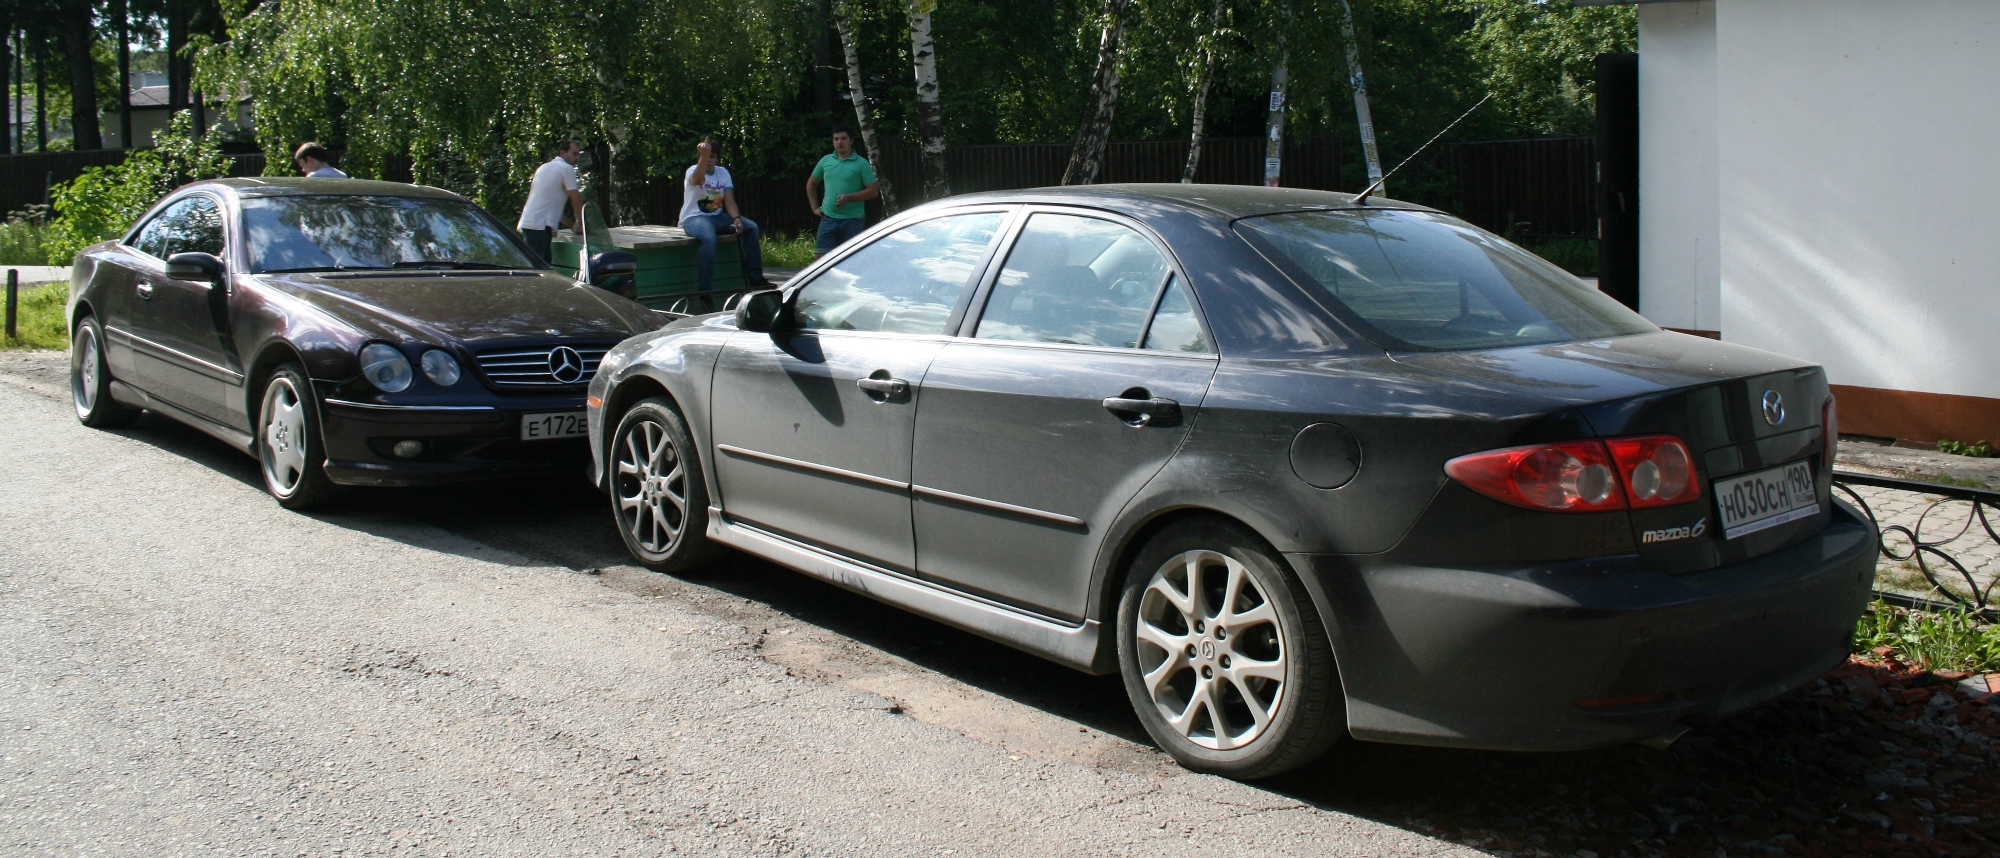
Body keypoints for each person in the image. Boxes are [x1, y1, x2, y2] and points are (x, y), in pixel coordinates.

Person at [679, 135, 772, 295]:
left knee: (751, 227)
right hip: (694, 219)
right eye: (706, 156)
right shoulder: (692, 170)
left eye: (712, 156)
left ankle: (756, 279)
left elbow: (729, 201)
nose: (708, 160)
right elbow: (697, 179)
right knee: (708, 236)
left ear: (717, 158)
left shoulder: (723, 173)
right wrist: (703, 154)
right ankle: (705, 291)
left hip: (717, 217)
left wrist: (736, 218)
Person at [805, 128, 880, 258]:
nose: (840, 142)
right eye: (836, 139)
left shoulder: (861, 163)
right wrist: (815, 208)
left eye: (843, 138)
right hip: (828, 217)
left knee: (850, 260)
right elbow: (811, 184)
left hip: (853, 220)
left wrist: (849, 198)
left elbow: (873, 191)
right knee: (821, 260)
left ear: (851, 140)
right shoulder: (826, 161)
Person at [517, 140, 585, 265]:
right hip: (539, 227)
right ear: (563, 153)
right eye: (574, 154)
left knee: (543, 269)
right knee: (538, 272)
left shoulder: (544, 167)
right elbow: (576, 201)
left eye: (579, 154)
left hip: (532, 224)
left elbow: (550, 206)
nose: (577, 158)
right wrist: (584, 227)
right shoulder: (566, 168)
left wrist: (571, 225)